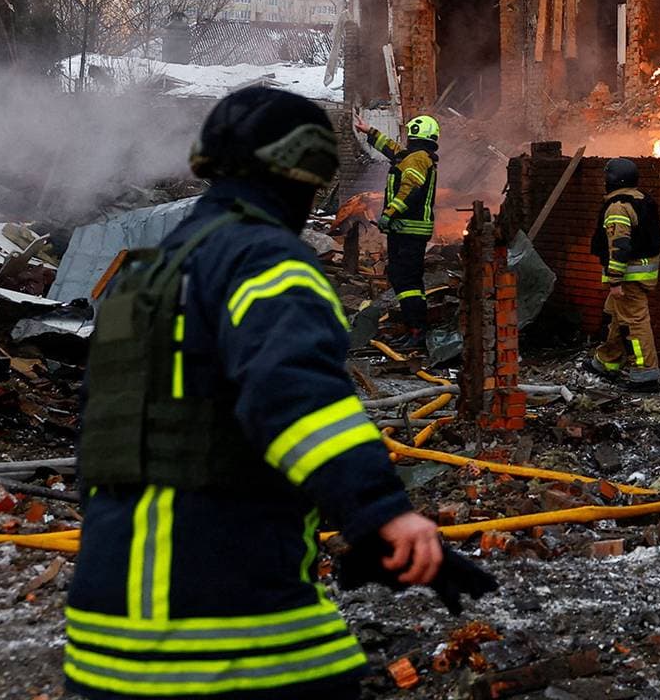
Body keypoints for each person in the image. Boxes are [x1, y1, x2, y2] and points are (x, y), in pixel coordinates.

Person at [65, 88, 444, 699]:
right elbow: (295, 395)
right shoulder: (267, 263)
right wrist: (382, 512)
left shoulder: (143, 278)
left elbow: (101, 436)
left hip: (101, 630)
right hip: (220, 614)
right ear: (304, 176)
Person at [354, 113, 441, 344]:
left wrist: (388, 215)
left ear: (414, 134)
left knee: (408, 280)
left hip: (409, 231)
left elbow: (410, 191)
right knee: (401, 277)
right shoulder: (414, 157)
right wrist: (369, 131)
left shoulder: (418, 159)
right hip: (404, 230)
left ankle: (417, 330)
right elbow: (393, 150)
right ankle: (412, 327)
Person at [588, 156, 660, 388]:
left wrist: (615, 281)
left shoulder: (618, 206)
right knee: (613, 316)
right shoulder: (641, 200)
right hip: (640, 273)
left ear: (612, 180)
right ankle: (606, 361)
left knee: (634, 323)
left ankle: (645, 373)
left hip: (628, 278)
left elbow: (620, 247)